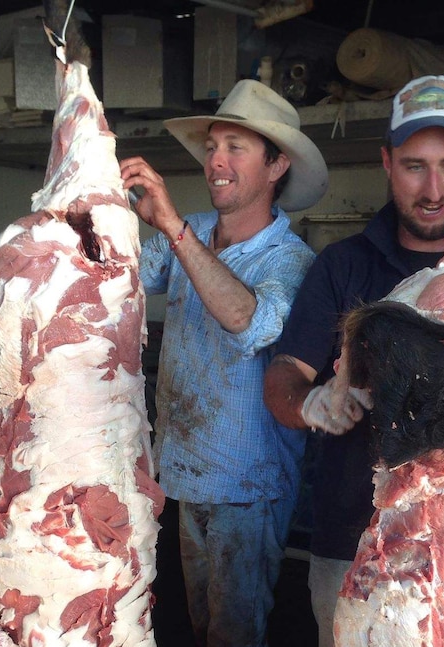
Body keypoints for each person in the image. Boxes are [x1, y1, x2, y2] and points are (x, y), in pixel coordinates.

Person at [262, 74, 444, 647]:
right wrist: (311, 403)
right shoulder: (343, 266)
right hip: (351, 543)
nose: (434, 188)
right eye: (414, 166)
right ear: (386, 162)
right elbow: (284, 375)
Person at [119, 79, 328, 647]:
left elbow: (251, 321)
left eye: (237, 147)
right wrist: (103, 213)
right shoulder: (191, 232)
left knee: (235, 632)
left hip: (249, 482)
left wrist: (173, 228)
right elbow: (121, 282)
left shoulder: (291, 260)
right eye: (213, 146)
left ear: (277, 164)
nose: (217, 160)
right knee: (203, 624)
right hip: (186, 470)